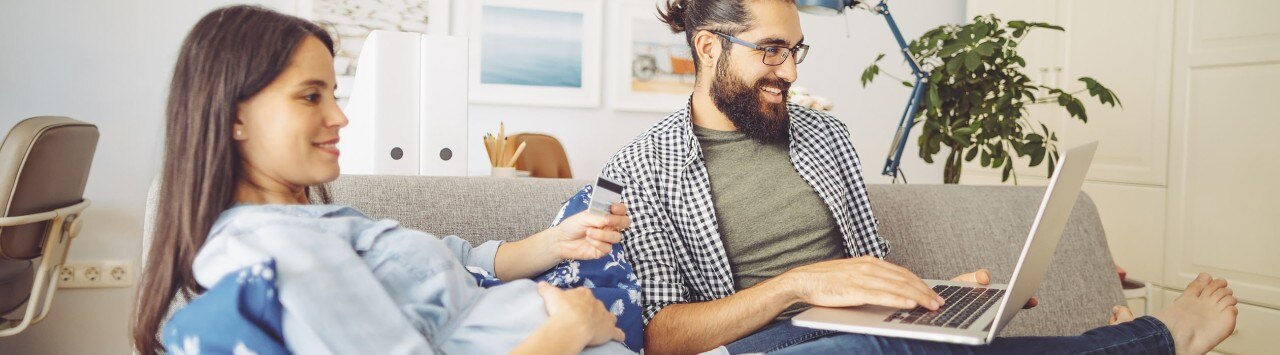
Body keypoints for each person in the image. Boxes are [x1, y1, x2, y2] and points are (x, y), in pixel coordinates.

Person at [599, 0, 1240, 353]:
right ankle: (1147, 342)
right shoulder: (642, 170)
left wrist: (924, 299)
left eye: (795, 50)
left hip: (857, 333)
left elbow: (868, 268)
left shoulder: (824, 135)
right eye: (771, 49)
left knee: (919, 346)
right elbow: (661, 336)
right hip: (764, 349)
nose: (790, 71)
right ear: (709, 46)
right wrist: (796, 286)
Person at [131, 5, 638, 354]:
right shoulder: (276, 250)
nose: (339, 117)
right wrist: (569, 330)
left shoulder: (308, 221)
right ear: (233, 116)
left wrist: (553, 243)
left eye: (333, 93)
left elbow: (456, 260)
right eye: (311, 97)